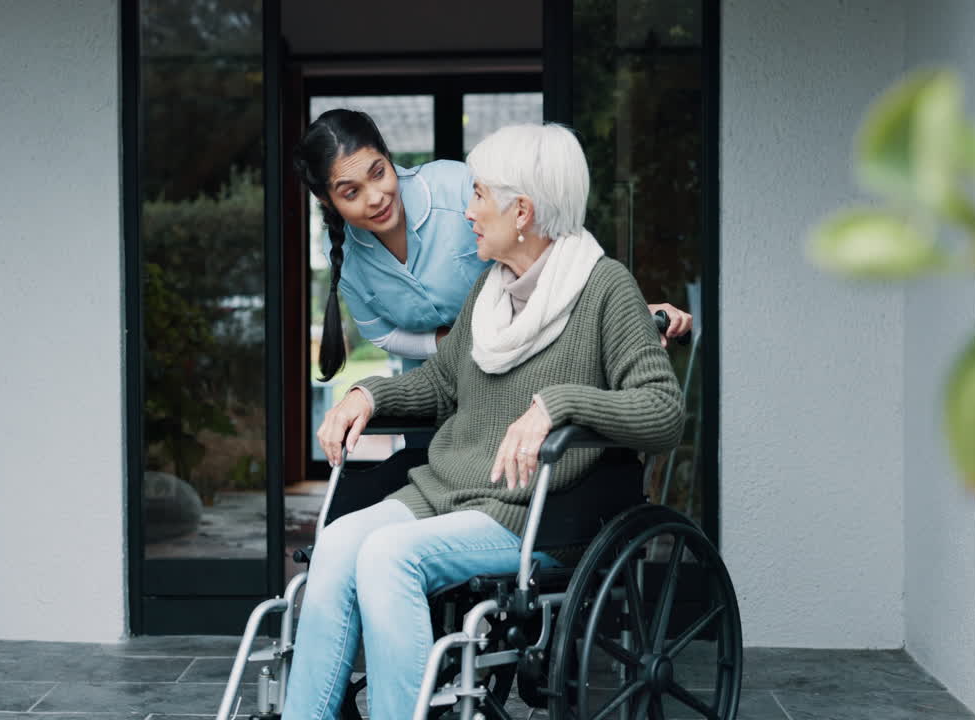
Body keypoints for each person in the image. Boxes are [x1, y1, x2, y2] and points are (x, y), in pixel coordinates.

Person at [285, 123, 685, 719]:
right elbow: (441, 384)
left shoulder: (605, 289)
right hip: (450, 489)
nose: (465, 211)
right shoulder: (489, 290)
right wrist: (366, 396)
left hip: (531, 513)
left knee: (388, 555)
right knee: (341, 539)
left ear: (520, 210)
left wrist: (558, 403)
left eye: (477, 195)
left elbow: (663, 411)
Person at [295, 109, 692, 382]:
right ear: (327, 201)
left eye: (378, 173)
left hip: (521, 371)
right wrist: (445, 343)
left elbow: (544, 245)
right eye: (351, 192)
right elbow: (381, 334)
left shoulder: (458, 188)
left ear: (388, 157)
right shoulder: (349, 262)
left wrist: (630, 311)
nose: (376, 197)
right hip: (432, 387)